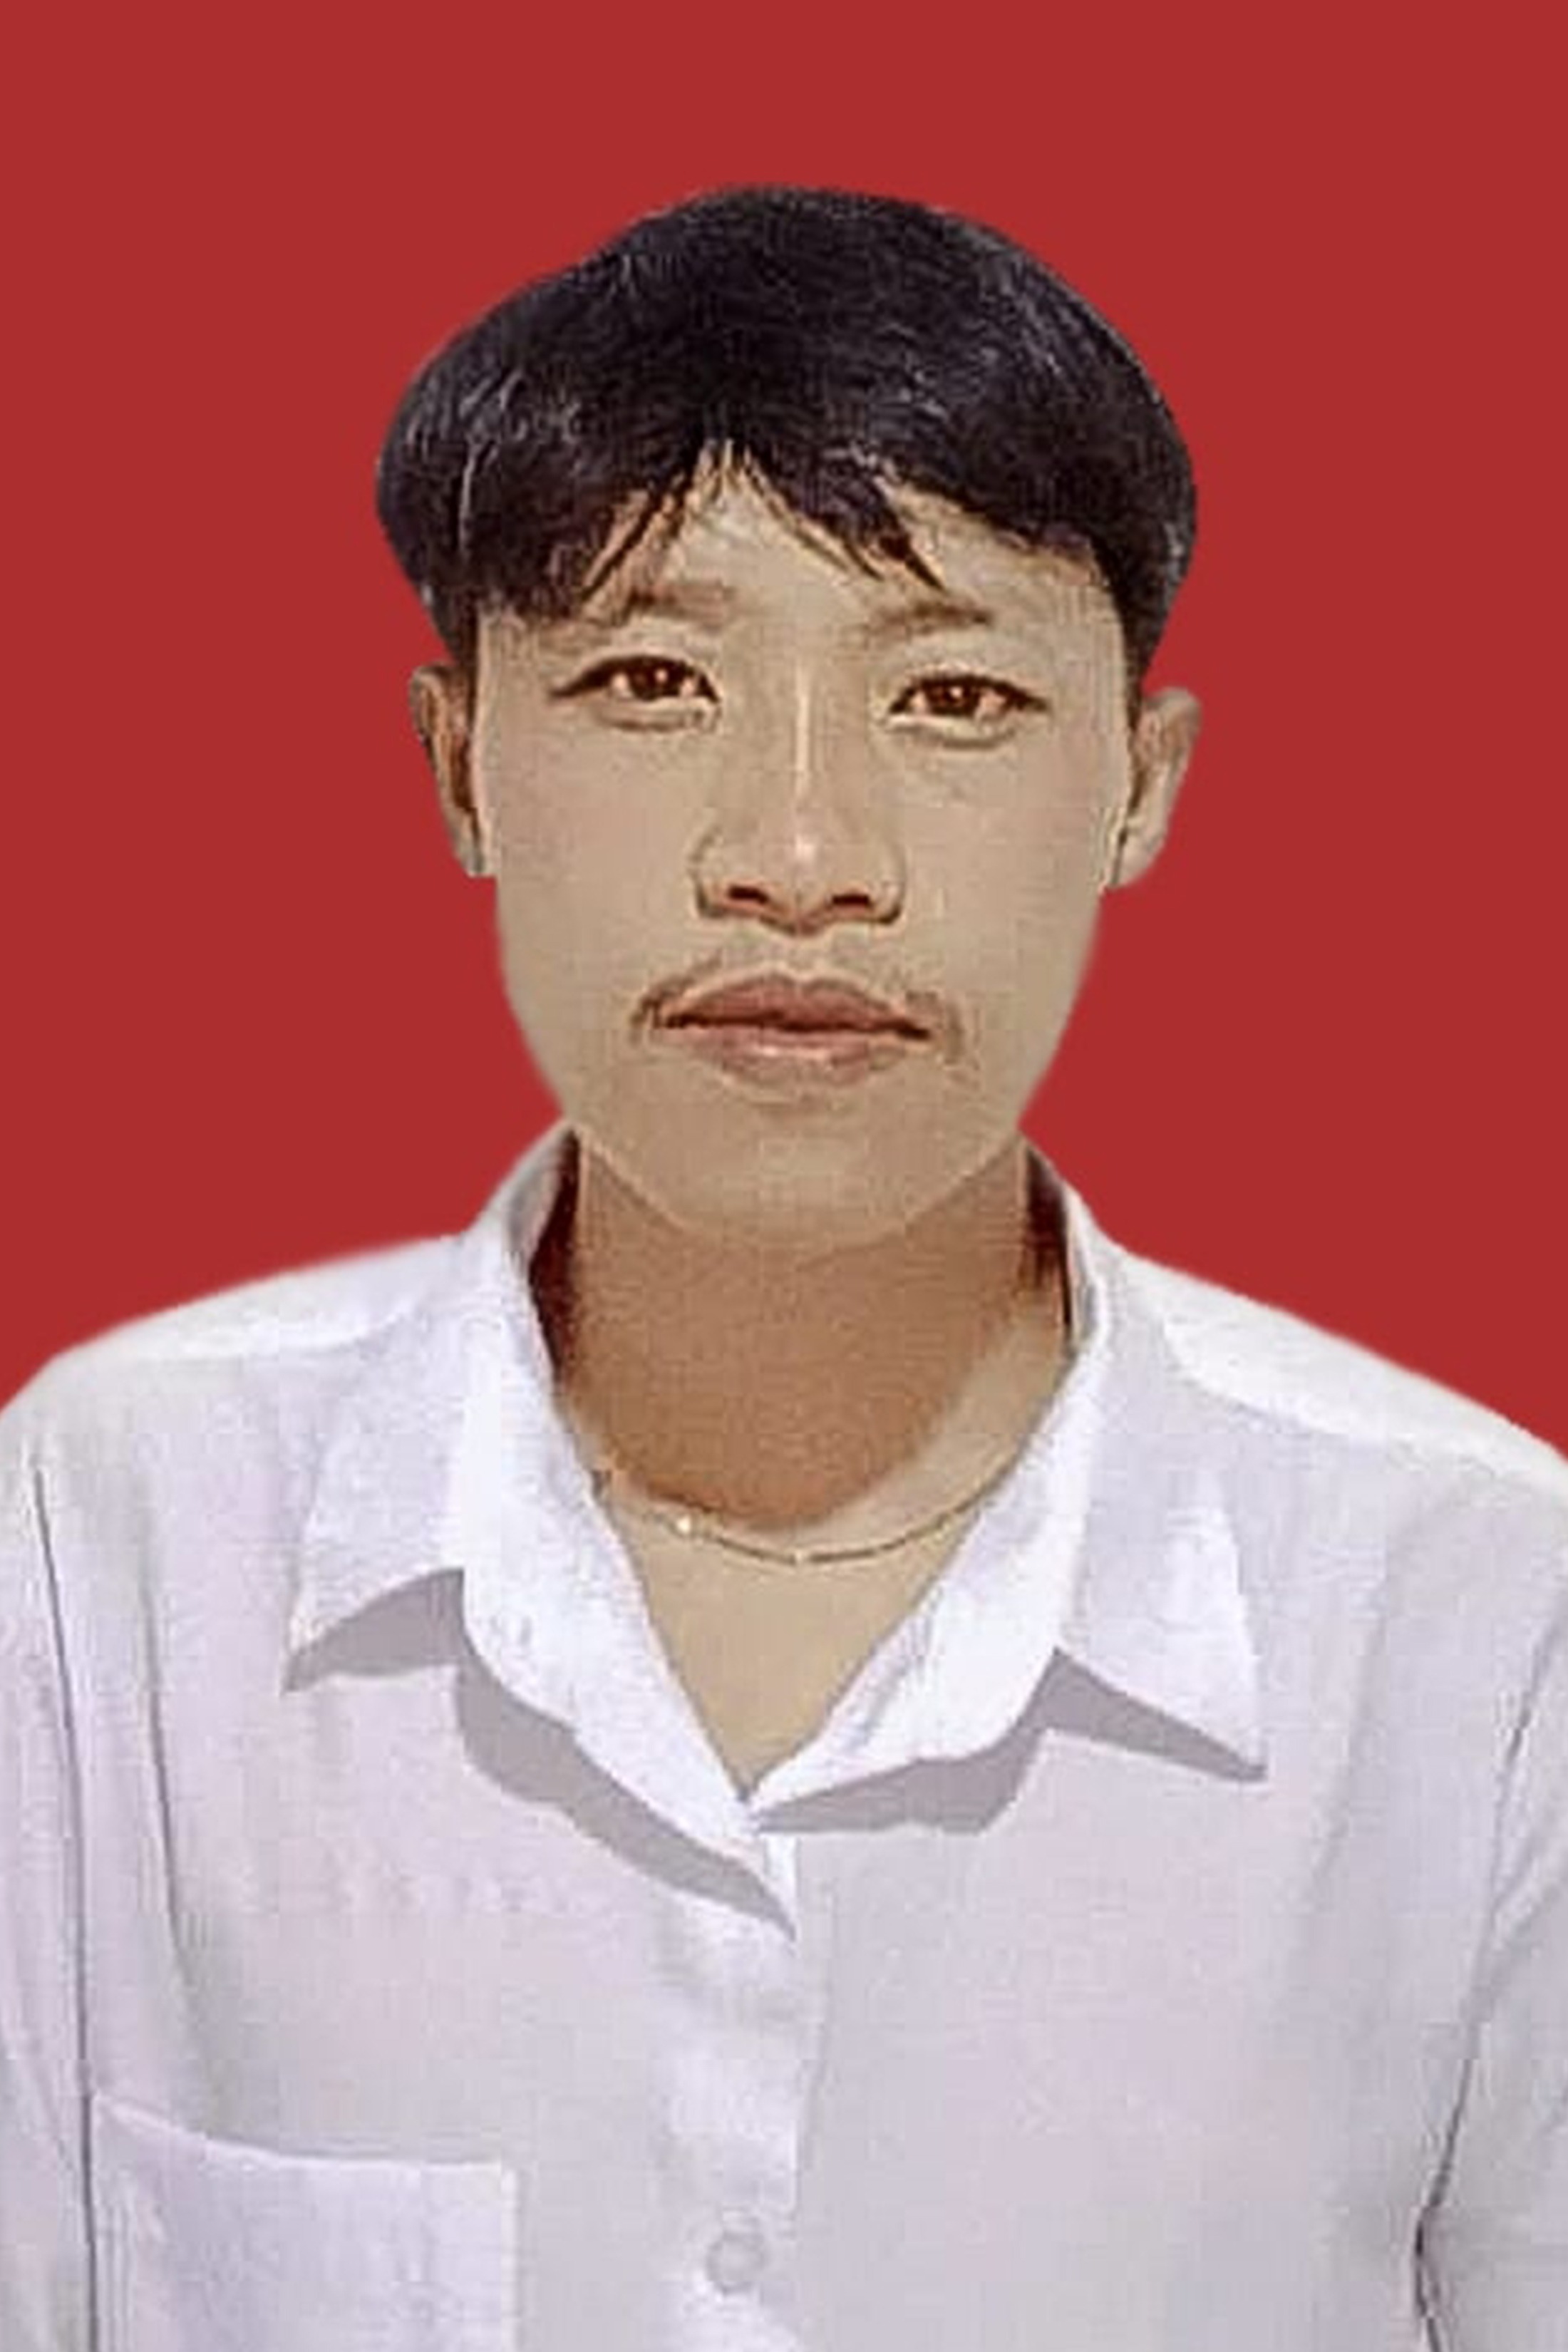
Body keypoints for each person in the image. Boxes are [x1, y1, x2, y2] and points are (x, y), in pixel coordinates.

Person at [1, 185, 1562, 2352]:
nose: (802, 857)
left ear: (1142, 786)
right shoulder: (113, 1533)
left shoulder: (1476, 1609)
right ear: (458, 767)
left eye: (954, 691)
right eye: (652, 679)